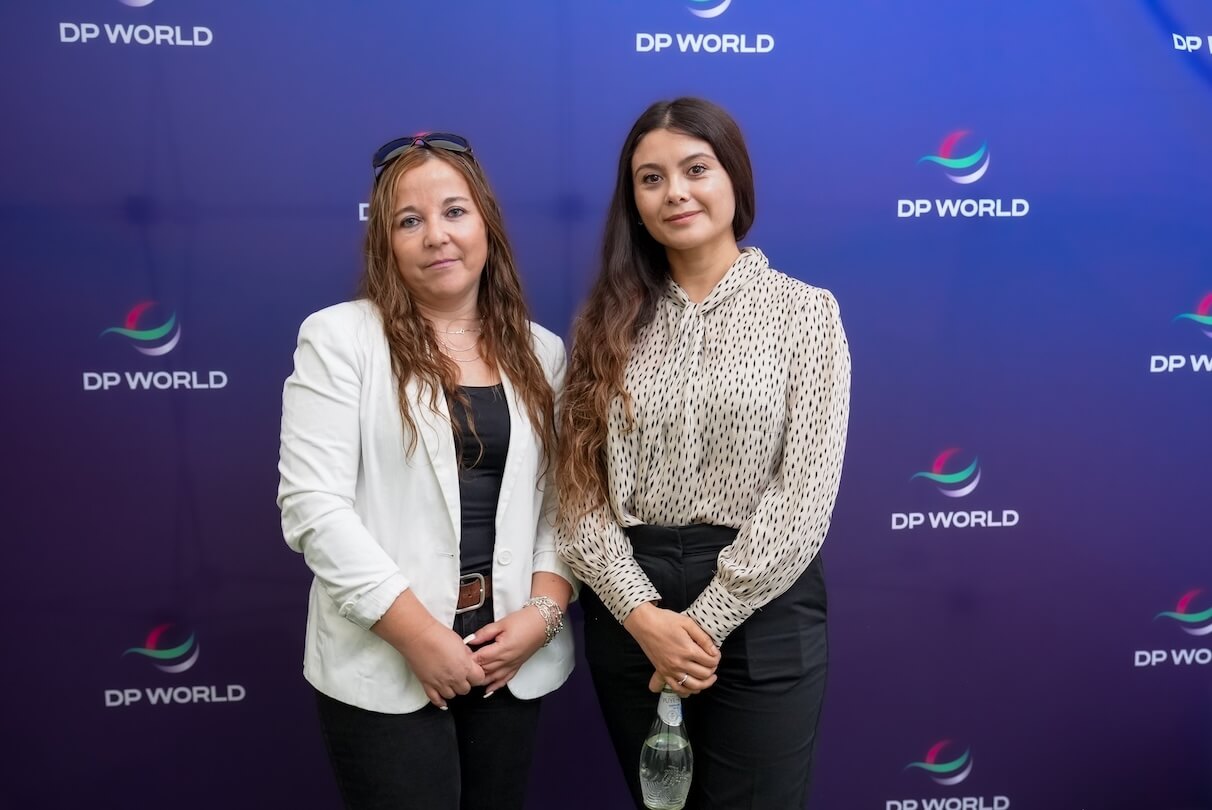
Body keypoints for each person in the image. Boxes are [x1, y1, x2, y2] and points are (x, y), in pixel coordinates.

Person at [556, 98, 851, 809]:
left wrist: (702, 625)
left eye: (696, 169)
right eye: (651, 178)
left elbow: (804, 496)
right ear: (633, 201)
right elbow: (575, 491)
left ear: (734, 179)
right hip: (633, 609)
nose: (675, 193)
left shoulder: (805, 313)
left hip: (763, 606)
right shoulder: (603, 323)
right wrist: (642, 615)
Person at [277, 132, 574, 810]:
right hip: (387, 657)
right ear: (385, 243)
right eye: (409, 221)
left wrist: (542, 614)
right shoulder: (340, 339)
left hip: (509, 657)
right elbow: (313, 507)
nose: (436, 235)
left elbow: (566, 505)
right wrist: (419, 635)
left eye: (454, 212)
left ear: (486, 224)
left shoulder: (543, 353)